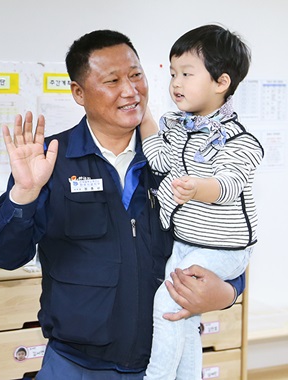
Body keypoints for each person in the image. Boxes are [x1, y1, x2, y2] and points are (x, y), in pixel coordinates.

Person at [0, 29, 245, 379]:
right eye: (112, 80)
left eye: (136, 75)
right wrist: (24, 195)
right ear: (79, 92)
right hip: (75, 365)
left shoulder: (180, 158)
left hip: (164, 361)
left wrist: (227, 292)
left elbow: (226, 236)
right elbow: (4, 255)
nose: (130, 90)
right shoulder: (50, 162)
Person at [140, 25, 263, 380]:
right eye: (173, 73)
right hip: (186, 241)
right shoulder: (177, 126)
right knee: (184, 313)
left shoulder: (239, 139)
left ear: (221, 82)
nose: (175, 82)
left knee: (167, 303)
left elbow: (228, 184)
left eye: (187, 74)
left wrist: (197, 188)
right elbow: (160, 159)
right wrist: (145, 117)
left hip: (223, 246)